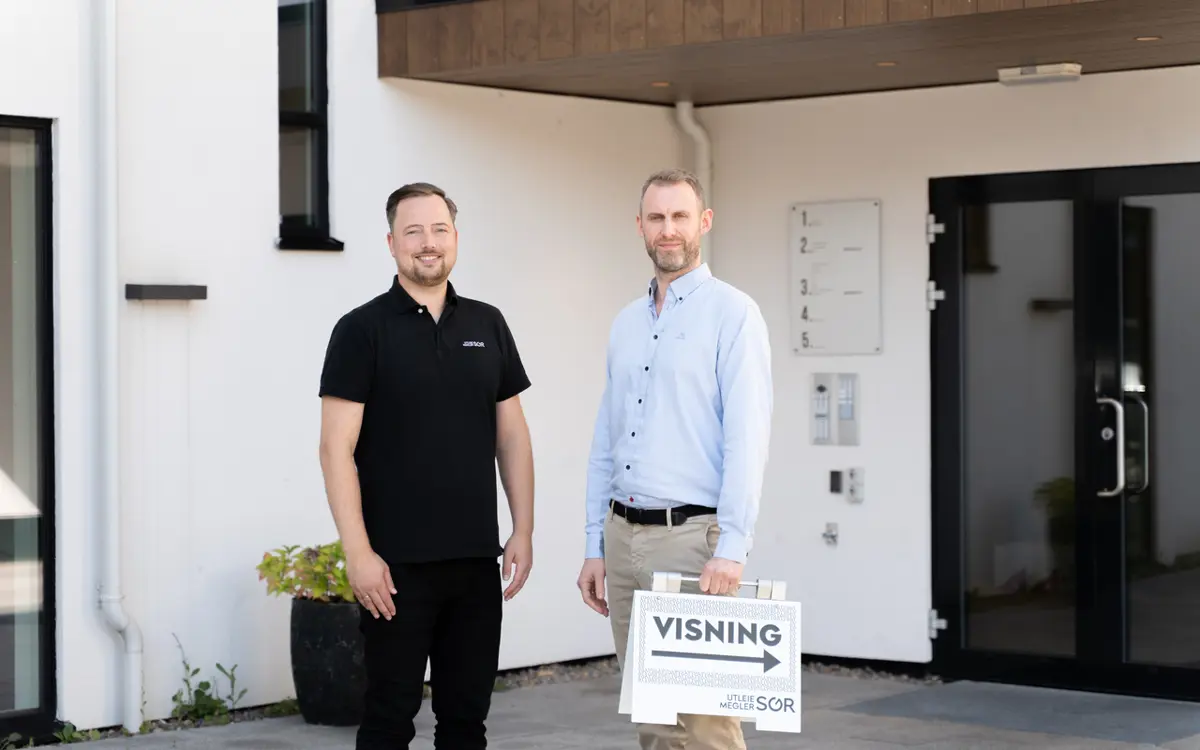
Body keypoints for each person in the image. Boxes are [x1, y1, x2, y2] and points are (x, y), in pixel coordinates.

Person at [318, 182, 535, 749]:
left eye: (439, 229)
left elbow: (512, 435)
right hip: (394, 571)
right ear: (391, 243)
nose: (428, 242)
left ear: (455, 237)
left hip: (475, 564)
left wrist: (523, 529)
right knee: (389, 723)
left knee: (466, 724)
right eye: (413, 231)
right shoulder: (360, 330)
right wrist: (358, 554)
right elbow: (335, 449)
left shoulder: (488, 324)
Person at [576, 168, 773, 750]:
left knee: (706, 723)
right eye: (656, 217)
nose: (668, 229)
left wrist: (732, 546)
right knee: (655, 722)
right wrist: (594, 543)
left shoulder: (733, 314)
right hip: (623, 539)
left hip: (691, 543)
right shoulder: (626, 323)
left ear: (703, 222)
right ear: (639, 226)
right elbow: (606, 441)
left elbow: (747, 438)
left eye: (680, 216)